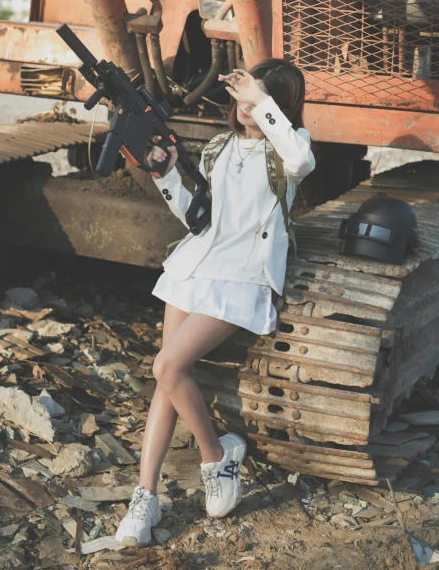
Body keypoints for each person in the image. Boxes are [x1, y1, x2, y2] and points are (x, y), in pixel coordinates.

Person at [115, 60, 315, 547]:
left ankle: (216, 458)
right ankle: (145, 497)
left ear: (279, 104)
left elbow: (300, 163)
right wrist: (163, 174)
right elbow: (195, 217)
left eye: (259, 98)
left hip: (243, 277)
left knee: (167, 366)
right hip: (193, 268)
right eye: (242, 96)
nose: (245, 106)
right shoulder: (217, 147)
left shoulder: (293, 146)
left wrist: (259, 99)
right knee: (166, 378)